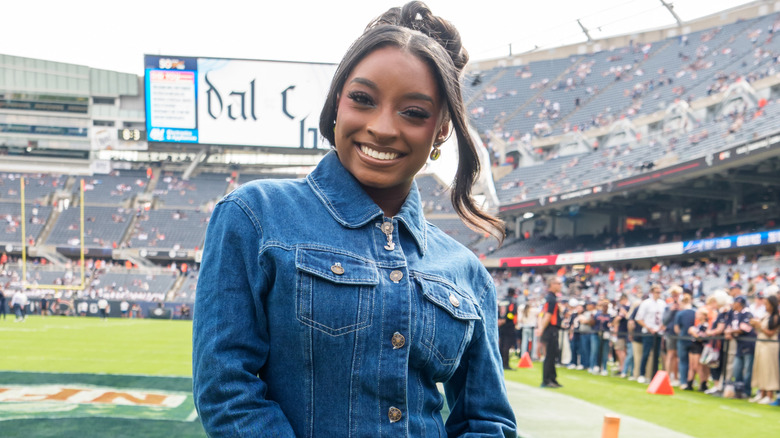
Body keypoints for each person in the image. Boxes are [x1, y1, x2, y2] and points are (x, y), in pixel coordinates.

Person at [192, 3, 517, 436]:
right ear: (336, 104)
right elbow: (225, 390)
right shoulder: (253, 215)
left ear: (441, 130)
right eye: (363, 100)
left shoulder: (467, 272)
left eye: (414, 112)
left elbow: (487, 420)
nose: (382, 128)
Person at [749, 294, 779, 404]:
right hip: (761, 343)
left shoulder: (776, 317)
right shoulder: (765, 315)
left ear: (772, 305)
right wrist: (754, 324)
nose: (765, 306)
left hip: (769, 345)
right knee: (760, 368)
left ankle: (769, 395)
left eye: (767, 304)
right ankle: (761, 393)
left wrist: (759, 325)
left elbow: (770, 333)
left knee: (769, 369)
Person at [635, 284, 665, 383]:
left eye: (659, 292)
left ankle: (654, 375)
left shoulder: (662, 303)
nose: (658, 294)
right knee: (646, 353)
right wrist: (648, 328)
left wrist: (661, 327)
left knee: (657, 355)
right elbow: (639, 318)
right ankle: (642, 374)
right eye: (657, 292)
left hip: (658, 332)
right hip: (648, 332)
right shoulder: (646, 303)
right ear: (652, 292)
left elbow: (665, 319)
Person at [540, 277, 562, 388]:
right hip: (550, 329)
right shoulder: (551, 299)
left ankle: (552, 378)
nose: (560, 285)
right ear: (552, 284)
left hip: (550, 329)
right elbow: (548, 315)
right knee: (550, 355)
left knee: (553, 355)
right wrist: (541, 329)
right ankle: (547, 380)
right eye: (558, 283)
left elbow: (541, 314)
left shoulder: (549, 298)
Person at [498, 288, 518, 370]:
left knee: (501, 344)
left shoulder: (502, 301)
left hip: (500, 325)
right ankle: (505, 364)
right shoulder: (513, 301)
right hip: (509, 325)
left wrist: (499, 319)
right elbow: (512, 313)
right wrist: (505, 320)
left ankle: (499, 363)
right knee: (507, 345)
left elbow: (497, 311)